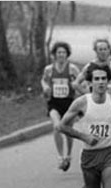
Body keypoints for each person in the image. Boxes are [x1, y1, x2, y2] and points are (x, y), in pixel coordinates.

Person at [41, 41, 81, 171]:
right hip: (54, 102)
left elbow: (80, 81)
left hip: (69, 103)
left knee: (68, 130)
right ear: (54, 54)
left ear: (67, 54)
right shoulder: (49, 69)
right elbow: (43, 80)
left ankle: (68, 155)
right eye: (59, 52)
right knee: (57, 126)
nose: (61, 55)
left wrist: (76, 84)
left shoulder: (72, 68)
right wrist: (45, 87)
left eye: (63, 52)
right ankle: (60, 157)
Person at [76, 38, 111, 104]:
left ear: (109, 50)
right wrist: (88, 94)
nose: (103, 52)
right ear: (96, 51)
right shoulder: (89, 67)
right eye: (100, 49)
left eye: (105, 49)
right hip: (96, 103)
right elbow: (76, 84)